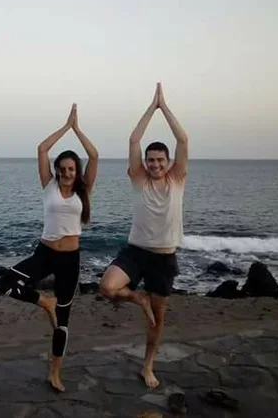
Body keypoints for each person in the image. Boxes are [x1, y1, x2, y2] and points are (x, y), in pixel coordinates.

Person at [0, 103, 99, 392]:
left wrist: (77, 129)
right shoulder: (48, 186)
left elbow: (94, 155)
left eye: (71, 169)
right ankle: (44, 302)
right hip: (44, 254)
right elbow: (42, 148)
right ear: (56, 170)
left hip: (70, 259)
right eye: (62, 168)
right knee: (5, 283)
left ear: (77, 171)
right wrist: (65, 127)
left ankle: (55, 371)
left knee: (63, 321)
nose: (67, 172)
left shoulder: (84, 189)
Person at [99, 82, 188, 390]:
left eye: (160, 160)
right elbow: (134, 139)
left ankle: (148, 365)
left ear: (169, 162)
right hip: (136, 253)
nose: (155, 164)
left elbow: (183, 139)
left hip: (164, 258)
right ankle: (137, 297)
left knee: (156, 320)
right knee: (107, 287)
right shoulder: (138, 179)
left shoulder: (177, 179)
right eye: (150, 160)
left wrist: (165, 107)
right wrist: (152, 108)